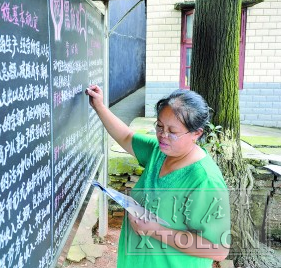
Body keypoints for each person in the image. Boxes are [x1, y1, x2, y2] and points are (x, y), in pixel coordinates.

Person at [85, 85, 231, 268]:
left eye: (173, 131)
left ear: (196, 133)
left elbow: (218, 249)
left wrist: (156, 231)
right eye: (160, 126)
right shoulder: (159, 152)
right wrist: (99, 106)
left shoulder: (205, 179)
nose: (163, 135)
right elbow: (126, 137)